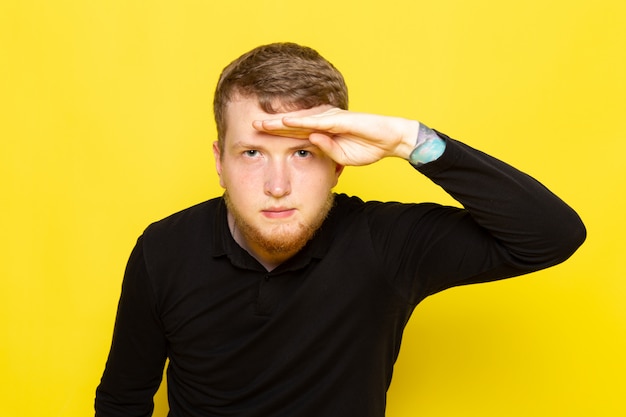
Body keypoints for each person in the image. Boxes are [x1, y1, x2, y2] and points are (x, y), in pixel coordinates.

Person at [95, 42, 586, 417]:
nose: (277, 185)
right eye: (252, 153)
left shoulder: (384, 244)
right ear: (219, 162)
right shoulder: (163, 249)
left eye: (303, 153)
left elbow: (551, 234)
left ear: (338, 163)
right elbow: (123, 400)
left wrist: (409, 140)